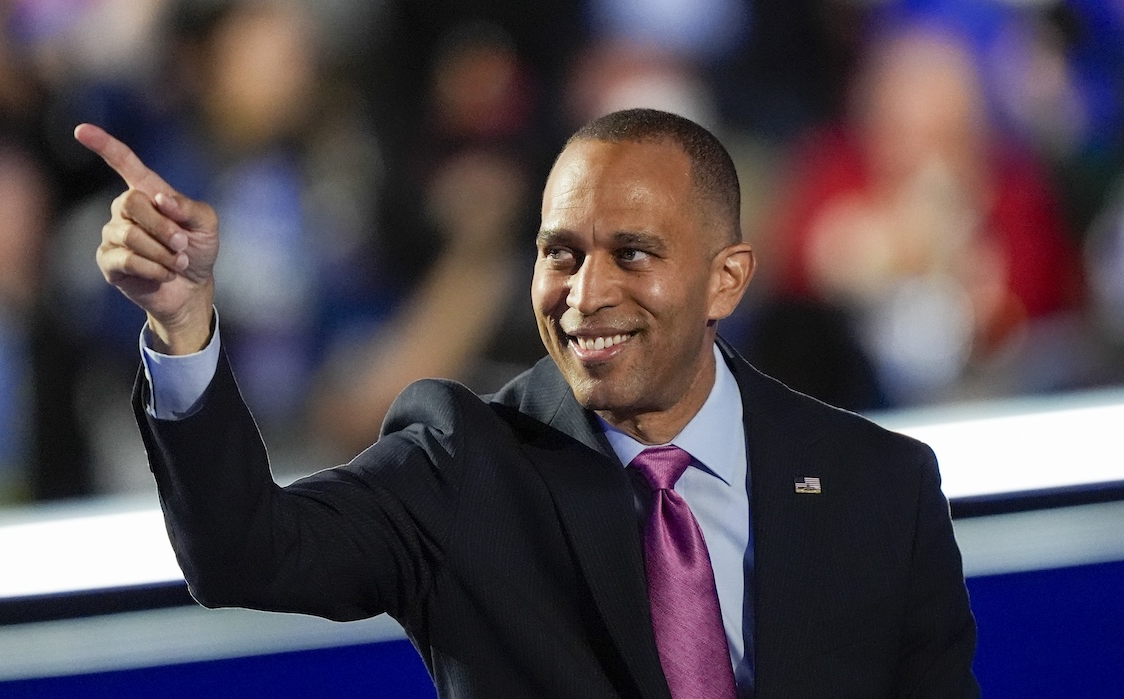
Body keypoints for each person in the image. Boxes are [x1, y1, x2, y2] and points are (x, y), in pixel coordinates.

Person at [77, 108, 978, 698]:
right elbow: (244, 555)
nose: (584, 294)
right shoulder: (462, 465)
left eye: (632, 253)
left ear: (726, 280)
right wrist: (184, 322)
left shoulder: (879, 486)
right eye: (561, 253)